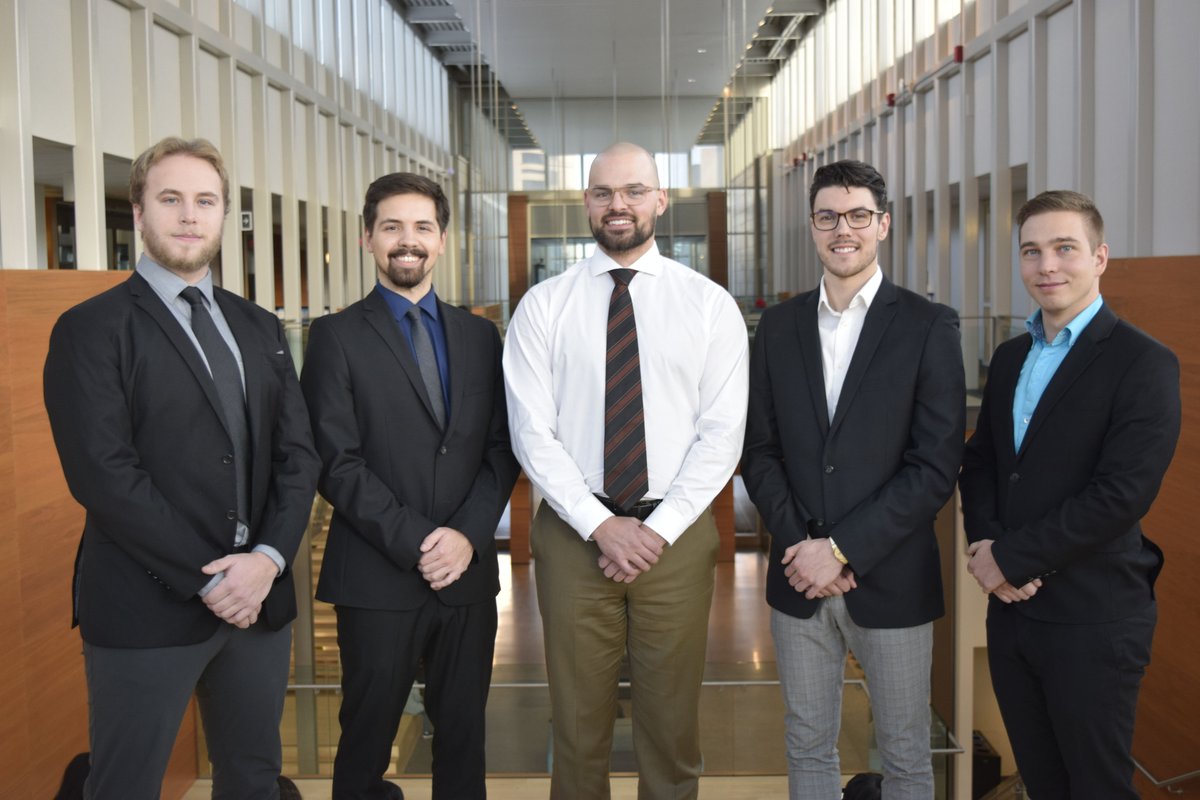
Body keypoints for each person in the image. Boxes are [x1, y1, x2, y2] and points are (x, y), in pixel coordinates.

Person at [42, 137, 320, 799]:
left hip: (258, 604)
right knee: (125, 786)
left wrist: (267, 561)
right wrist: (213, 578)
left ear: (223, 215)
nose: (190, 215)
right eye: (171, 199)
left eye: (206, 200)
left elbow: (298, 455)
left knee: (253, 780)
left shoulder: (259, 326)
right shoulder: (91, 328)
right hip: (145, 605)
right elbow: (104, 475)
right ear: (140, 212)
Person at [503, 142, 748, 799]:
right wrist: (600, 524)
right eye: (604, 192)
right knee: (576, 730)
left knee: (671, 733)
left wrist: (657, 529)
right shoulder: (543, 306)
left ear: (660, 200)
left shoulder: (709, 305)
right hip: (574, 535)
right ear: (586, 202)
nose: (619, 204)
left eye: (635, 190)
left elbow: (722, 435)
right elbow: (531, 433)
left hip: (677, 536)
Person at [741, 159, 965, 799]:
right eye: (828, 217)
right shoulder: (778, 327)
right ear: (812, 226)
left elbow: (934, 466)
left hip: (890, 577)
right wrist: (803, 548)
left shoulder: (928, 325)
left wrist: (839, 550)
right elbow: (759, 451)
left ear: (883, 224)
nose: (844, 229)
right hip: (797, 578)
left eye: (859, 215)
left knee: (906, 757)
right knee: (807, 747)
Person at [301, 172, 518, 800]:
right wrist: (423, 541)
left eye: (423, 227)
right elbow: (336, 462)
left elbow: (502, 448)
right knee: (366, 742)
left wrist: (466, 537)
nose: (408, 240)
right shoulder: (335, 337)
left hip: (466, 578)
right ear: (368, 238)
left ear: (442, 240)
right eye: (392, 226)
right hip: (376, 576)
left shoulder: (480, 336)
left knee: (464, 740)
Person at [959, 190, 1180, 799]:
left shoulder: (1144, 362)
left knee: (1097, 787)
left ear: (1100, 257)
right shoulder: (1010, 357)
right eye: (1031, 251)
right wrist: (986, 546)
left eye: (1064, 248)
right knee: (1042, 783)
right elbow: (981, 463)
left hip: (1093, 617)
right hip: (1012, 615)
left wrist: (1011, 558)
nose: (1047, 265)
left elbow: (1122, 494)